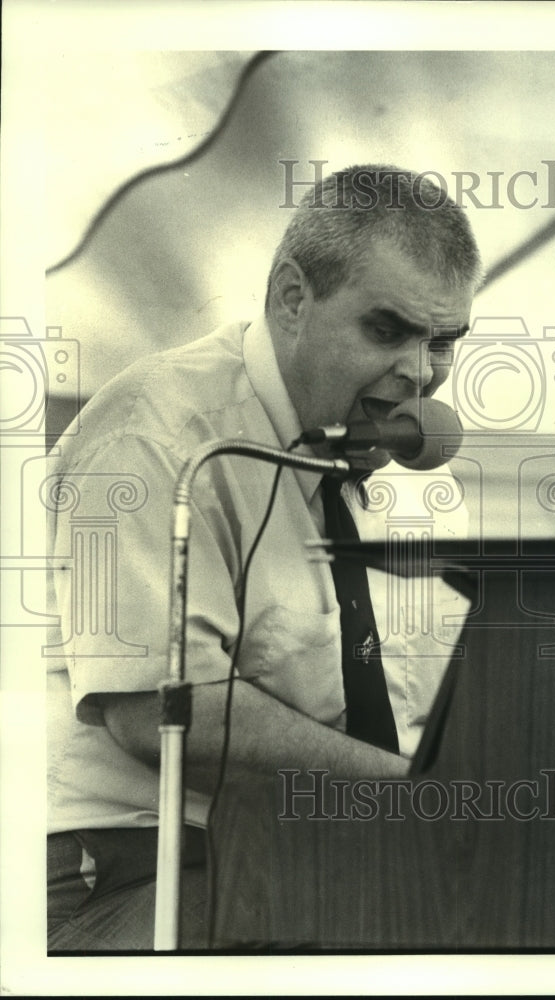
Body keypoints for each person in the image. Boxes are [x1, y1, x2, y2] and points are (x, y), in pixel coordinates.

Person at [45, 164, 483, 950]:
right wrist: (419, 792)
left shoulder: (362, 457)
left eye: (443, 342)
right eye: (387, 331)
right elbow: (155, 708)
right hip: (137, 871)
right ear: (291, 298)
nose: (420, 375)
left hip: (302, 858)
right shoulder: (155, 435)